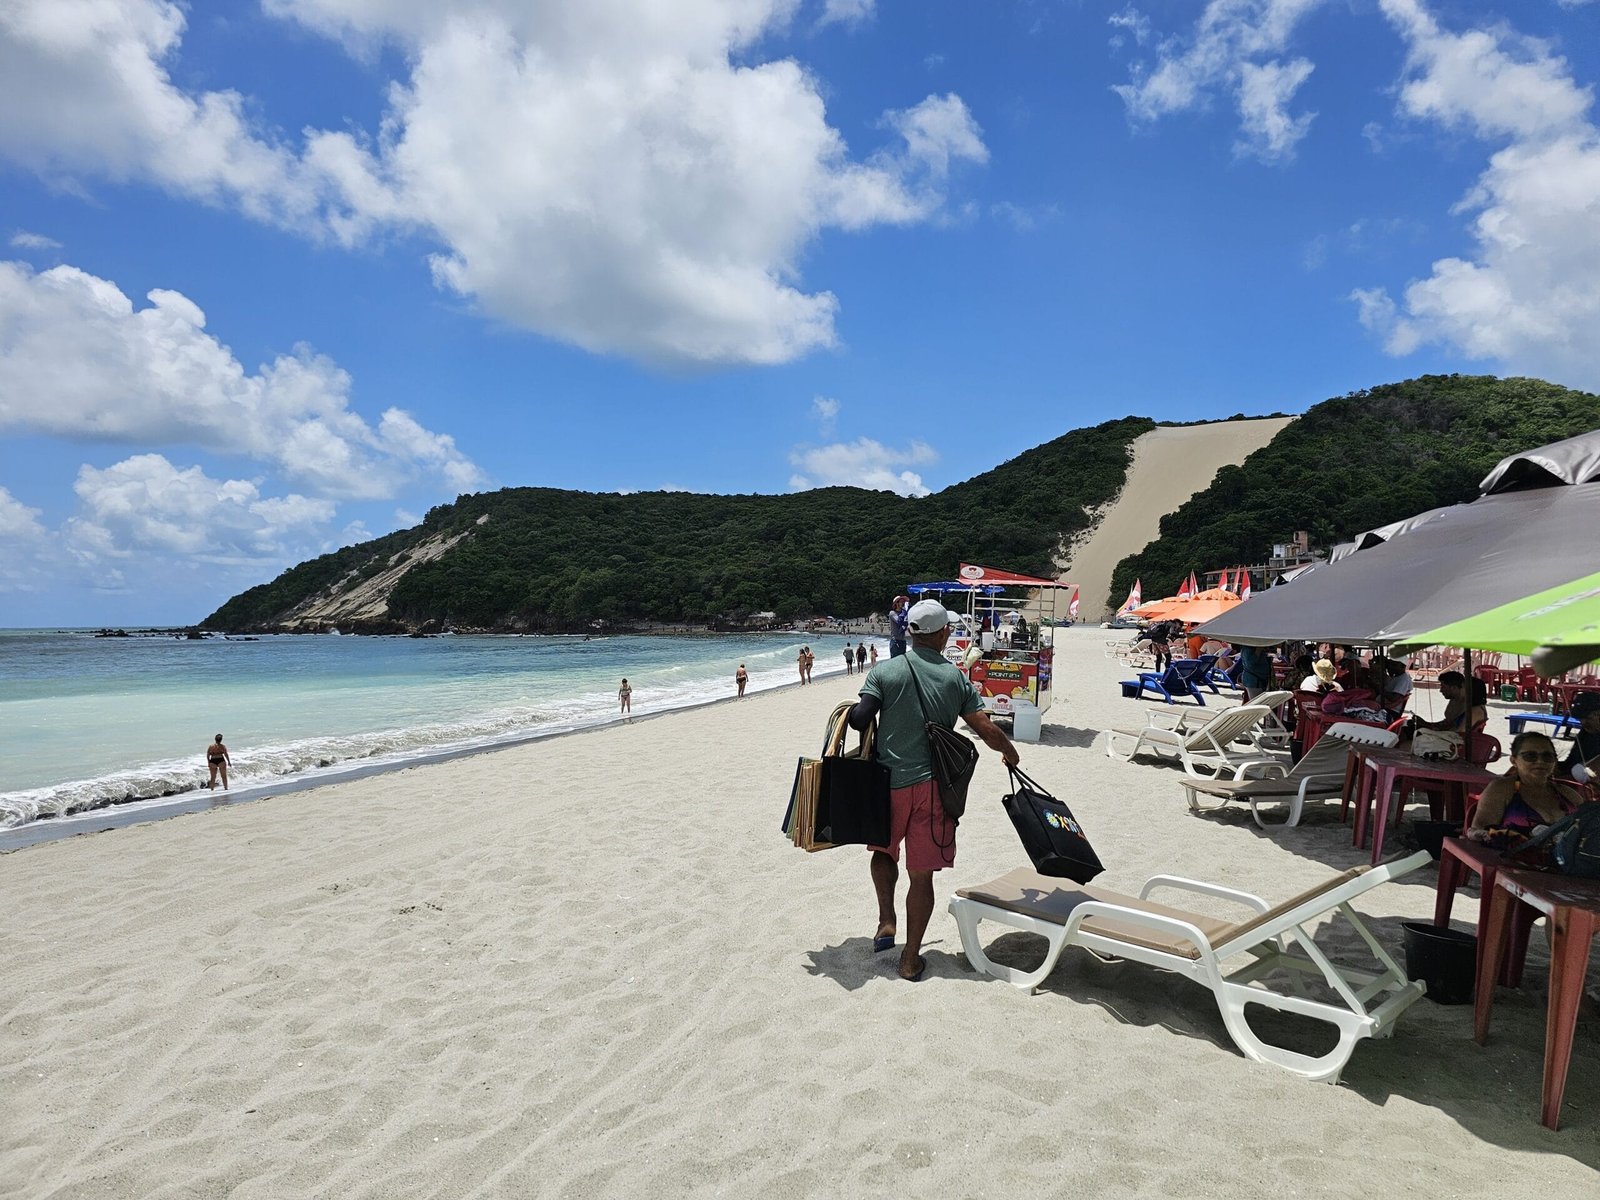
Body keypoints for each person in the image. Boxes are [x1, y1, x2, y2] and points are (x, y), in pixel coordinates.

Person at [846, 599, 1019, 983]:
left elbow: (860, 718)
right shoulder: (955, 679)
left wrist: (857, 711)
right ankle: (910, 959)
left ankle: (886, 920)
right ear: (943, 634)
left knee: (882, 852)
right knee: (921, 876)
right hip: (934, 789)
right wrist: (1009, 752)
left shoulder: (885, 671)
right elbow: (984, 728)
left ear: (910, 632)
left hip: (889, 785)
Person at [1467, 732, 1584, 841]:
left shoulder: (1568, 794)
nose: (1540, 761)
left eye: (1547, 756)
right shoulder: (1502, 789)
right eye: (1530, 756)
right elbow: (1478, 829)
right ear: (1514, 761)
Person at [1415, 670, 1486, 735]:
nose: (1441, 690)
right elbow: (1448, 723)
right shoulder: (1455, 700)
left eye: (1443, 687)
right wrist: (1426, 724)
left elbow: (1459, 733)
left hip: (1455, 741)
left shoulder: (1476, 710)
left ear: (1454, 688)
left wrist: (1431, 730)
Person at [1562, 693, 1600, 783]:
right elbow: (1571, 762)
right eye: (1580, 718)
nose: (1583, 722)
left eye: (1588, 718)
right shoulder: (1586, 734)